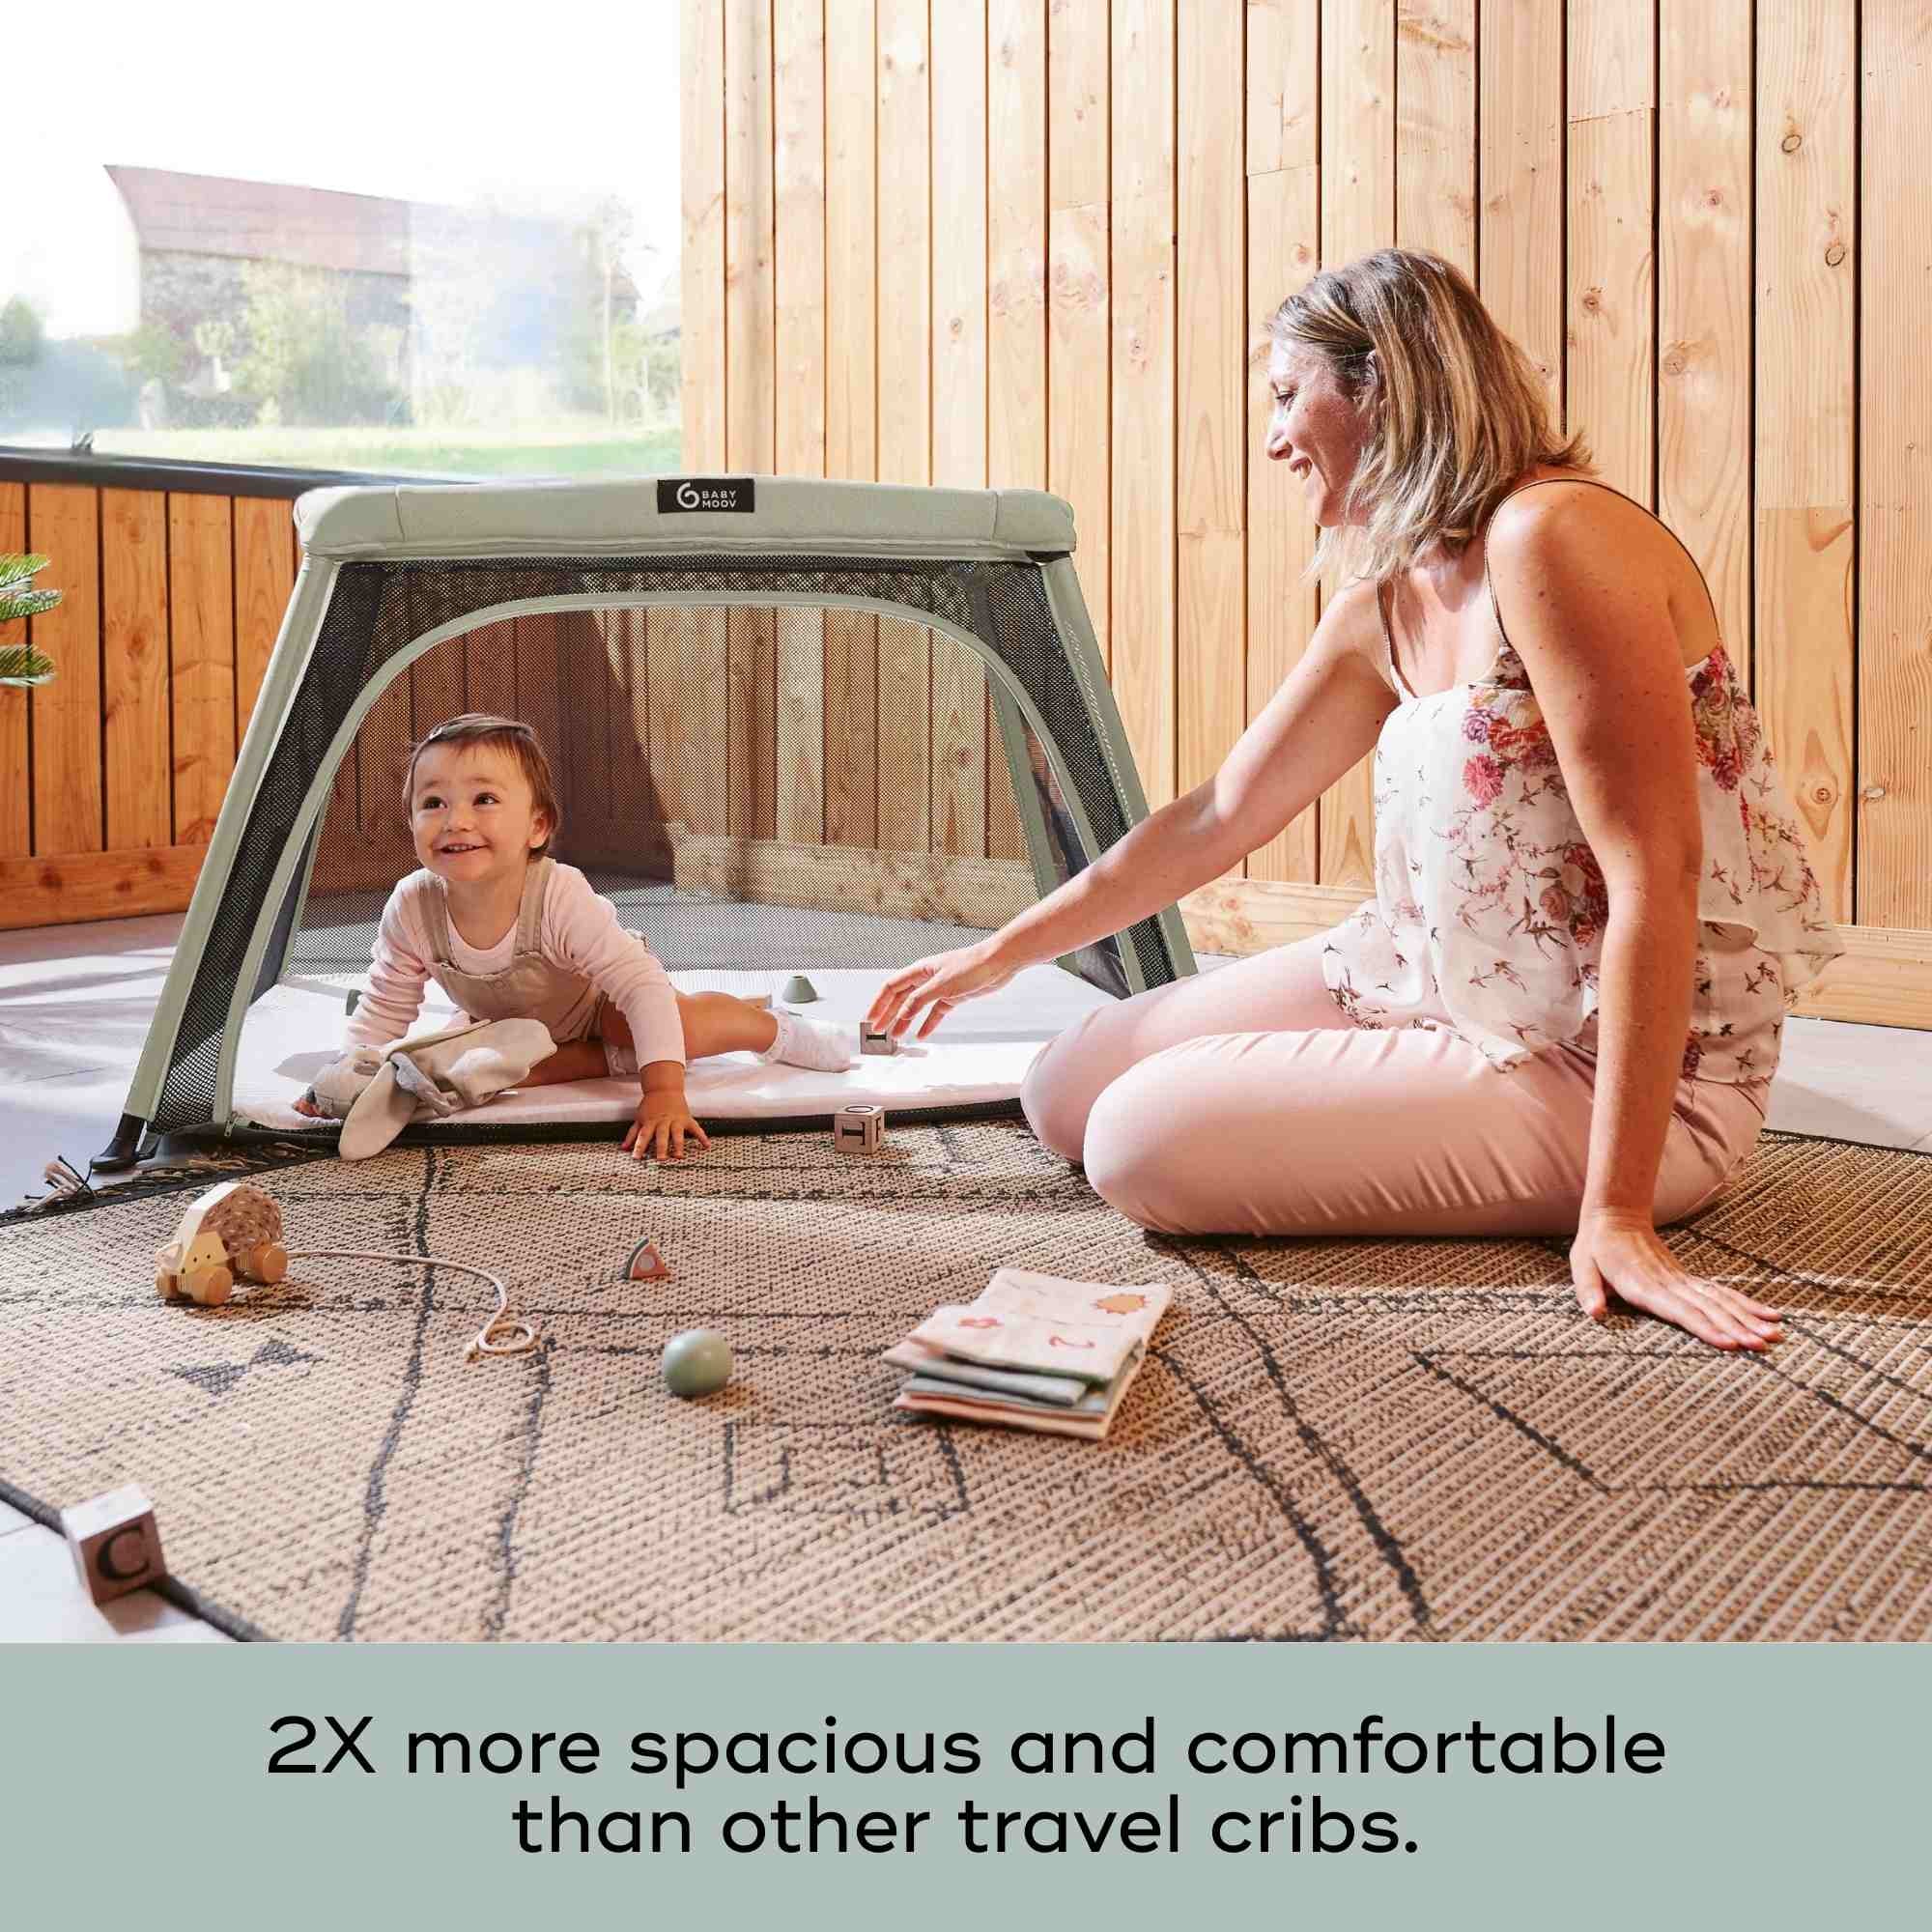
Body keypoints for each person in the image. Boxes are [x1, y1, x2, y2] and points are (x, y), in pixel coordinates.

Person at [867, 248, 1844, 1353]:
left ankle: (1612, 1171)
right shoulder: (1380, 605)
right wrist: (998, 953)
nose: (1274, 437)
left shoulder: (1556, 538)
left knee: (1136, 1138)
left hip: (1619, 1064)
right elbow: (1214, 816)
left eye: (1289, 395)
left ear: (1378, 382)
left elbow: (1650, 877)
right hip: (1426, 976)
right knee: (1063, 1085)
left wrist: (1614, 1212)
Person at [295, 712, 851, 1159]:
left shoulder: (557, 894)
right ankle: (614, 1059)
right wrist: (344, 1078)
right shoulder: (413, 905)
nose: (455, 820)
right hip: (513, 1026)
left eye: (483, 800)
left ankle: (766, 1026)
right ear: (411, 822)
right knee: (481, 1073)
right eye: (432, 803)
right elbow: (386, 1006)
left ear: (537, 826)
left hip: (598, 1003)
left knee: (663, 1026)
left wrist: (663, 1093)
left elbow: (641, 989)